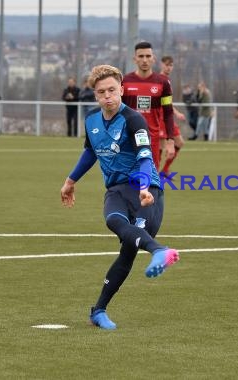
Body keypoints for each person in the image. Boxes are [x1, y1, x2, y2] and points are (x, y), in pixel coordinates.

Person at [60, 64, 180, 330]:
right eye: (101, 92)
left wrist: (145, 186)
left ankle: (98, 310)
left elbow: (145, 154)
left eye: (112, 90)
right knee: (113, 221)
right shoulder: (91, 120)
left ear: (122, 90)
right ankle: (159, 251)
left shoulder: (134, 119)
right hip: (115, 190)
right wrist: (70, 182)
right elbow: (90, 152)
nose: (107, 96)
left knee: (128, 251)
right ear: (95, 95)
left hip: (145, 190)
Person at [121, 41, 174, 169]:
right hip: (128, 138)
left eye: (148, 56)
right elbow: (117, 112)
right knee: (127, 179)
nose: (145, 60)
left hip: (152, 139)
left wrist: (170, 140)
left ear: (153, 59)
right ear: (135, 59)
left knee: (150, 178)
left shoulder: (163, 83)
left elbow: (168, 112)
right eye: (141, 56)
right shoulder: (124, 82)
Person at [159, 55, 185, 176]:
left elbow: (167, 101)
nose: (169, 67)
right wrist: (176, 112)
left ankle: (164, 170)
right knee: (160, 146)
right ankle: (154, 173)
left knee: (179, 142)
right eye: (166, 65)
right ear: (161, 64)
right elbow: (162, 102)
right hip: (160, 117)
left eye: (171, 65)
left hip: (167, 117)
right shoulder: (159, 79)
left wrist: (176, 112)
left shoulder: (167, 80)